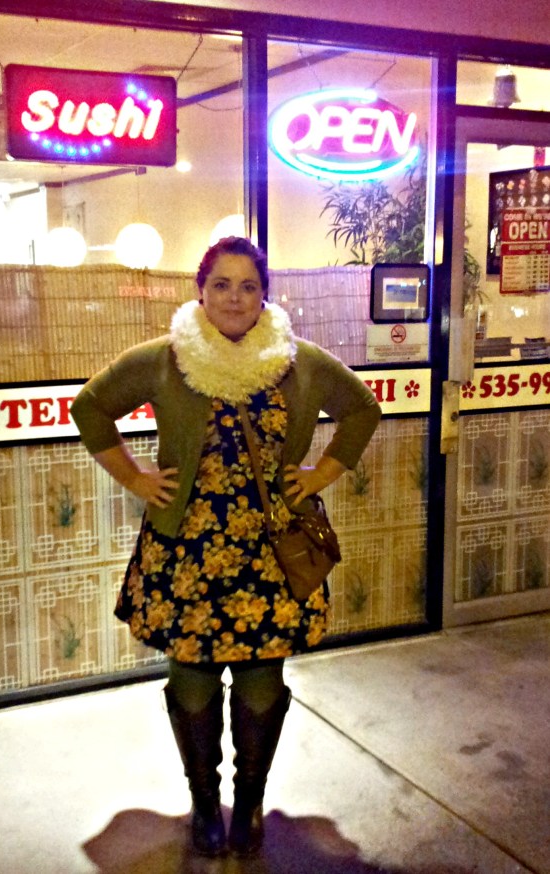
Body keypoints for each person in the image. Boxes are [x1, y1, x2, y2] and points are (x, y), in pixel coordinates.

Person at [70, 236, 381, 858]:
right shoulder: (166, 359)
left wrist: (320, 475)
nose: (235, 298)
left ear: (264, 294)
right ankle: (206, 806)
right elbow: (91, 407)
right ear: (200, 290)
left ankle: (251, 805)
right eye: (221, 285)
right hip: (188, 552)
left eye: (247, 286)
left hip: (271, 554)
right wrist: (134, 477)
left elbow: (362, 409)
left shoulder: (301, 363)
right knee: (192, 681)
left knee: (263, 682)